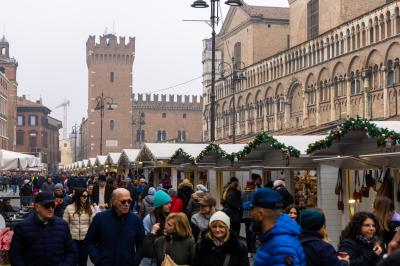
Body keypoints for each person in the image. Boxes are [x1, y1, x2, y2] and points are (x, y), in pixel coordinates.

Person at [10, 192, 76, 266]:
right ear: (37, 207)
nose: (51, 208)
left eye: (53, 205)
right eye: (47, 205)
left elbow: (71, 252)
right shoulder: (22, 227)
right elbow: (15, 255)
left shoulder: (63, 225)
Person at [85, 188, 145, 266]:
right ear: (113, 202)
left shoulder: (136, 220)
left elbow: (141, 244)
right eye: (123, 201)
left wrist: (135, 261)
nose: (127, 204)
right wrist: (98, 260)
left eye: (129, 201)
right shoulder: (100, 218)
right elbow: (89, 242)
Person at [250, 188, 306, 266]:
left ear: (260, 214)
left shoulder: (281, 247)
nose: (251, 215)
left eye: (252, 210)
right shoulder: (273, 240)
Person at [63, 187, 95, 266]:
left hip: (85, 239)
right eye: (84, 196)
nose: (86, 198)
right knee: (74, 260)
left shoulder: (90, 208)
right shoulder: (69, 208)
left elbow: (93, 224)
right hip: (73, 239)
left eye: (87, 196)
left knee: (83, 262)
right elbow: (64, 224)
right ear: (78, 196)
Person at [242, 180, 256, 253]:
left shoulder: (242, 193)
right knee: (253, 231)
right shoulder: (254, 193)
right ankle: (253, 247)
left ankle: (248, 247)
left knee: (247, 231)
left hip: (245, 215)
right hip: (252, 214)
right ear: (252, 185)